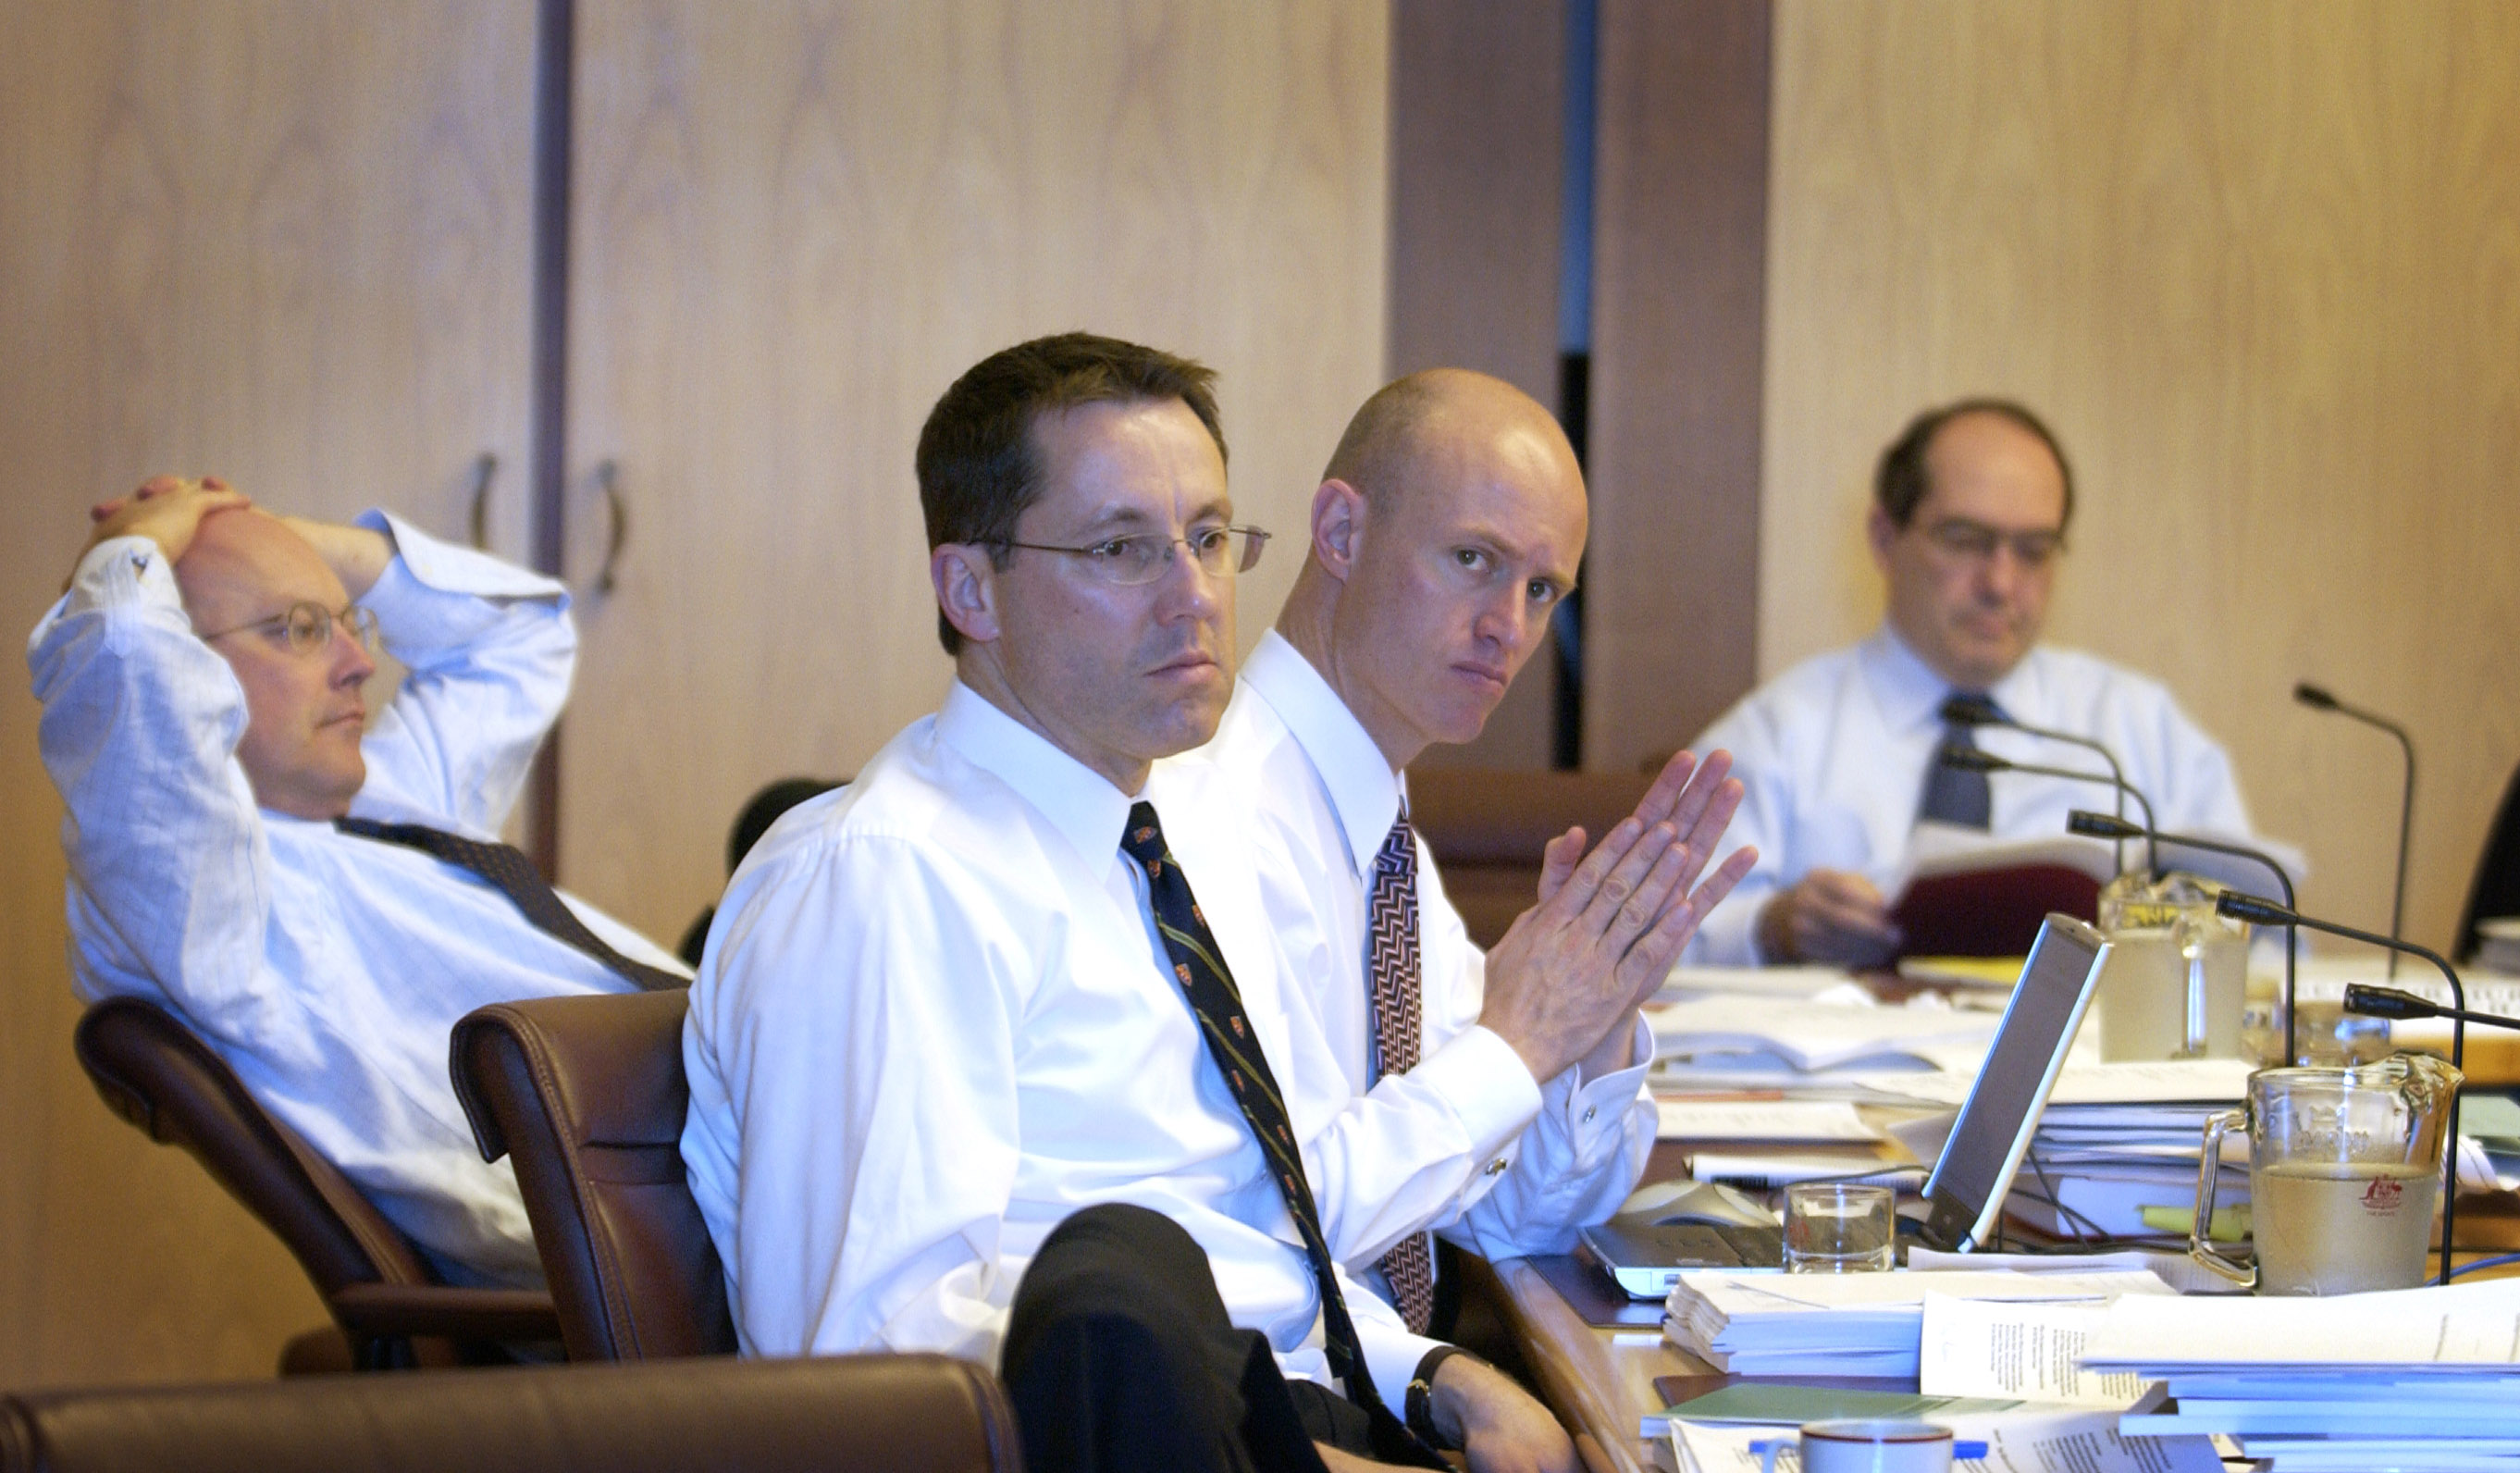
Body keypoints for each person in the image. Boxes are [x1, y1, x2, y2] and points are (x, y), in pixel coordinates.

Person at [680, 335, 1699, 1473]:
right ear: (972, 588)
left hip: (1280, 1391)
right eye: (1121, 549)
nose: (1193, 598)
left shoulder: (1146, 845)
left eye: (1210, 539)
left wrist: (1430, 1373)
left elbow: (1238, 1228)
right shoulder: (885, 875)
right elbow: (873, 1365)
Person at [31, 477, 687, 1288]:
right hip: (699, 1239)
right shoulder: (204, 914)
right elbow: (126, 659)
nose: (361, 664)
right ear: (184, 670)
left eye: (348, 622)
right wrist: (133, 547)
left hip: (743, 1136)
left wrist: (260, 527)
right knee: (820, 840)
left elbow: (520, 635)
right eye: (301, 630)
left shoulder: (381, 802)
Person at [1207, 368, 1756, 1333]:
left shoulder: (1385, 839)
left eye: (1543, 588)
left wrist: (1591, 1028)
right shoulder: (1213, 814)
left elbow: (1504, 1213)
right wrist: (1518, 1038)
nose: (1510, 626)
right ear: (1340, 532)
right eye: (1472, 558)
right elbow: (1273, 1227)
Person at [1686, 399, 2254, 967]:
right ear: (1884, 537)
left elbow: (2268, 943)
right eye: (1964, 540)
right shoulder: (1777, 733)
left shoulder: (2138, 727)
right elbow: (1658, 950)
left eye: (2034, 551)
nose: (2001, 583)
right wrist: (1774, 929)